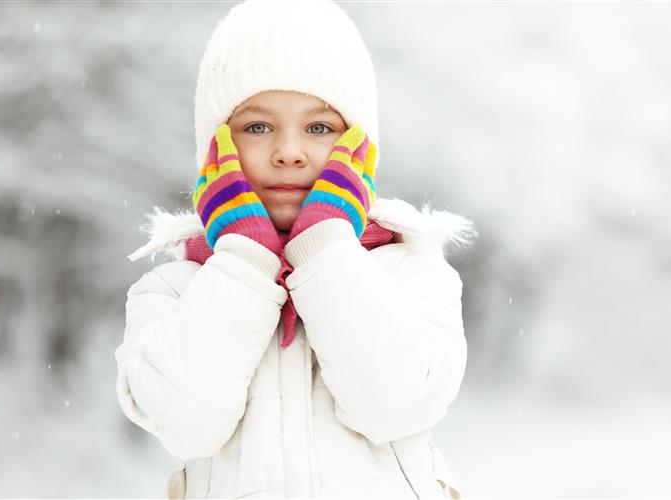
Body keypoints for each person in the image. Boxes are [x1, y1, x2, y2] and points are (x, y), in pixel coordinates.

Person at [114, 1, 477, 498]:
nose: (290, 150)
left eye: (319, 128)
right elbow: (188, 424)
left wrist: (326, 246)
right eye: (258, 127)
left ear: (359, 148)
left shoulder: (412, 270)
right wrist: (244, 258)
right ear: (215, 150)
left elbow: (396, 405)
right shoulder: (174, 288)